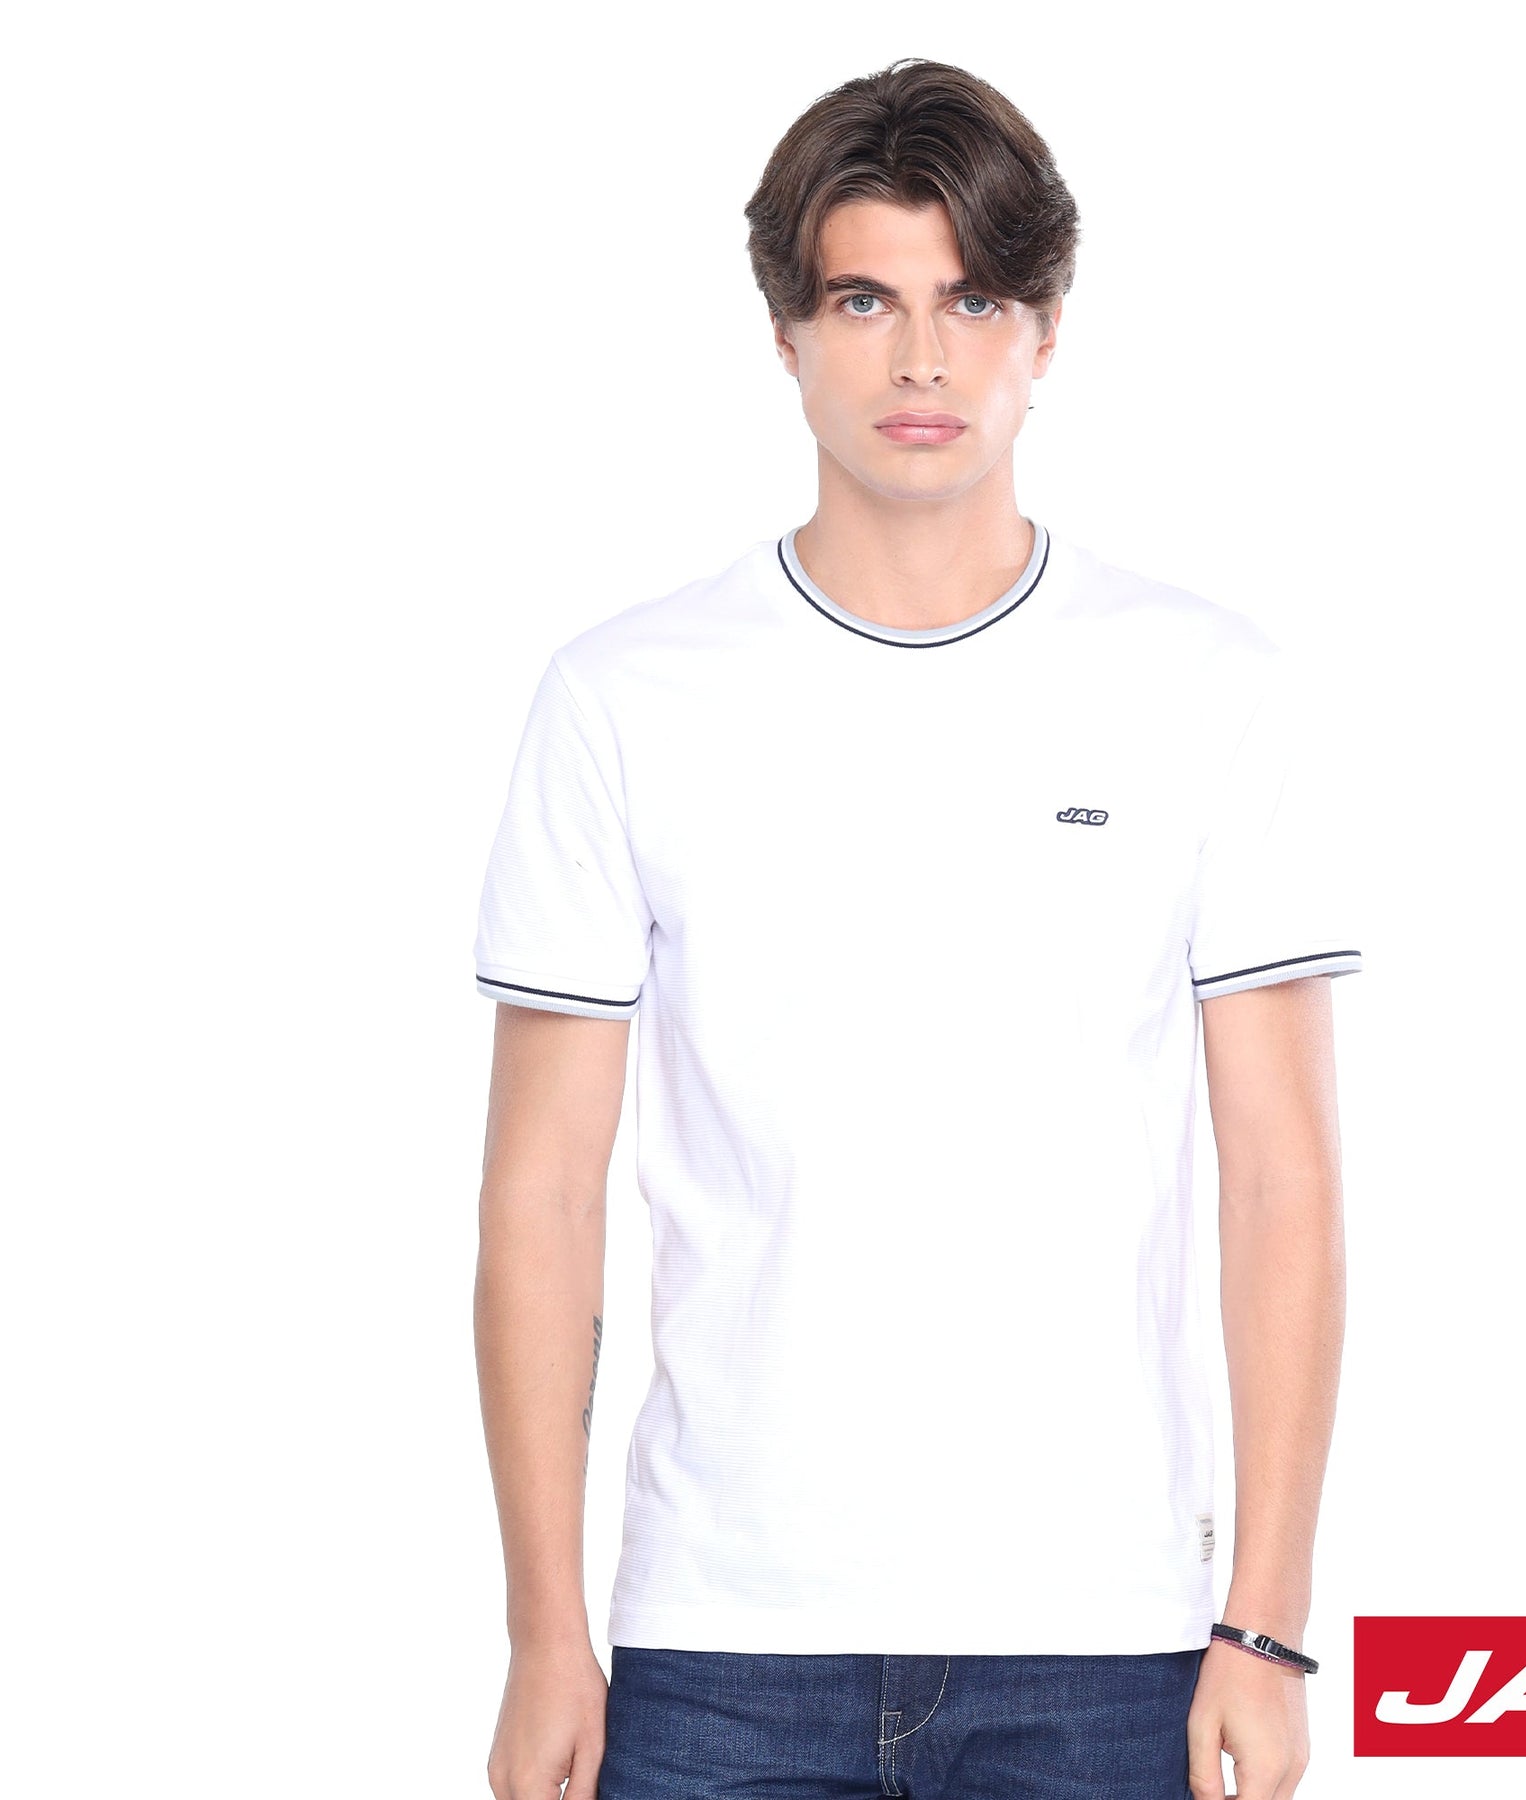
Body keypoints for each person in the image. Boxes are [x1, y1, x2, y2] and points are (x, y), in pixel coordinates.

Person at [472, 56, 1361, 1800]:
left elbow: (1285, 1184)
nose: (924, 360)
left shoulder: (1209, 690)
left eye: (976, 300)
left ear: (1047, 333)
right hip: (717, 1643)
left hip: (1104, 1642)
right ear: (787, 334)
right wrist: (542, 1631)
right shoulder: (621, 698)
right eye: (866, 299)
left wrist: (1263, 1627)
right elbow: (541, 1196)